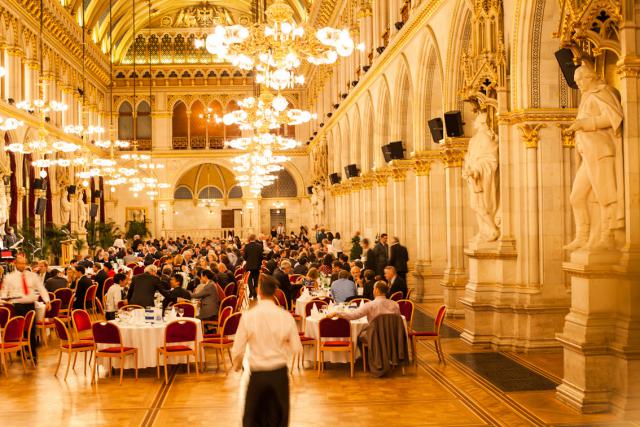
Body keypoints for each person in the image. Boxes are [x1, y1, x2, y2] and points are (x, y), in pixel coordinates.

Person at [232, 275, 302, 427]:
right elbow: (297, 348)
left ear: (259, 292)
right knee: (279, 419)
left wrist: (237, 366)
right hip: (279, 374)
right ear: (276, 293)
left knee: (252, 419)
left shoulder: (249, 316)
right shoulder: (285, 316)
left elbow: (237, 350)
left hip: (257, 374)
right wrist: (283, 345)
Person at [0, 254, 50, 364]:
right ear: (15, 264)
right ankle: (21, 352)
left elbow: (41, 288)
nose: (22, 265)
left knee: (32, 330)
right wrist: (4, 300)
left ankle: (33, 355)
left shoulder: (32, 276)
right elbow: (4, 292)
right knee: (21, 331)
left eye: (24, 263)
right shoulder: (9, 277)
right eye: (20, 263)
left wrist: (47, 301)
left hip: (31, 306)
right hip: (17, 306)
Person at [329, 281, 400, 323]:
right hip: (391, 336)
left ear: (377, 290)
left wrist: (337, 313)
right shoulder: (395, 304)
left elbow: (353, 316)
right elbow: (398, 321)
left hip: (374, 335)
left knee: (359, 335)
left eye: (373, 289)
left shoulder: (369, 305)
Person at [243, 234, 264, 299]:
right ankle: (255, 293)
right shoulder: (259, 246)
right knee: (256, 279)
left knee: (249, 279)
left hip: (249, 265)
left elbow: (245, 257)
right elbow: (261, 257)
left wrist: (248, 260)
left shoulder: (247, 246)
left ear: (249, 238)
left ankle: (251, 291)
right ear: (255, 238)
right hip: (257, 265)